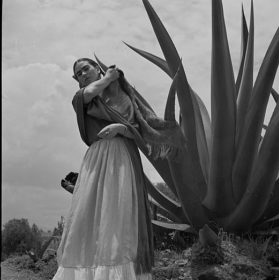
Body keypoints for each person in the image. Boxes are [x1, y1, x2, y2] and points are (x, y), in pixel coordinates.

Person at [52, 57, 185, 280]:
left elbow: (134, 128)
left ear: (96, 68)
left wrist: (119, 127)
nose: (83, 75)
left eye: (86, 69)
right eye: (79, 74)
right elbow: (87, 93)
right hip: (96, 159)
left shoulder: (123, 98)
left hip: (122, 156)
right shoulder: (83, 98)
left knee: (118, 212)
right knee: (87, 215)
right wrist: (109, 77)